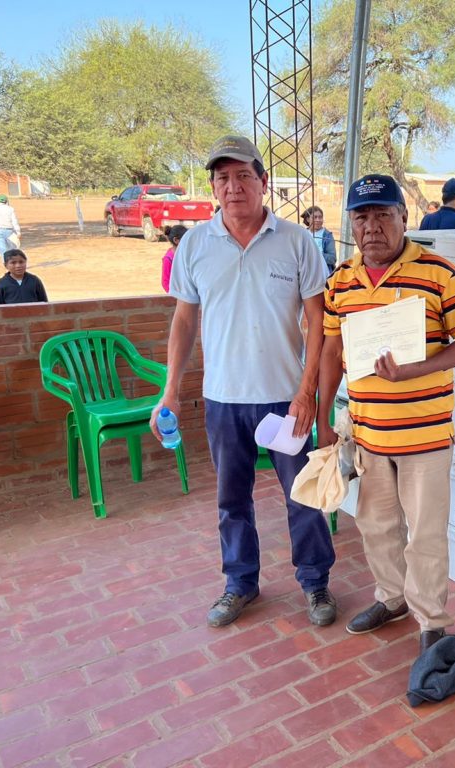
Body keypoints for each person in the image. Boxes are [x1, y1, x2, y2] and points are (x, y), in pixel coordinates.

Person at [151, 135, 337, 629]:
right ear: (213, 186)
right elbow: (184, 323)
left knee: (303, 494)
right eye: (223, 178)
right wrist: (170, 389)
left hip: (284, 399)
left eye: (243, 177)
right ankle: (240, 583)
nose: (233, 187)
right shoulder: (195, 244)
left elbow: (317, 323)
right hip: (223, 400)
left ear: (263, 182)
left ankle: (315, 582)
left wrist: (306, 392)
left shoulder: (297, 240)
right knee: (232, 500)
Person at [316, 174, 455, 656]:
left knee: (426, 535)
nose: (372, 227)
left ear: (403, 218)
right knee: (375, 526)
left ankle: (431, 620)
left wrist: (419, 369)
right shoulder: (342, 281)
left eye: (383, 215)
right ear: (351, 223)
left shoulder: (439, 273)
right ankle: (390, 599)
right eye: (361, 217)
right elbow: (331, 350)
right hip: (368, 434)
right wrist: (325, 419)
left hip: (425, 436)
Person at [302, 205, 337, 272]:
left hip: (322, 273)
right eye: (314, 217)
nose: (318, 220)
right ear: (308, 219)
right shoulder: (303, 234)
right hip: (305, 272)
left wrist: (315, 254)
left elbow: (332, 259)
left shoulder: (327, 235)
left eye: (320, 217)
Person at [161, 225, 187, 292]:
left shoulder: (186, 254)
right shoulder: (168, 259)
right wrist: (174, 295)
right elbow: (165, 282)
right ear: (176, 240)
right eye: (186, 239)